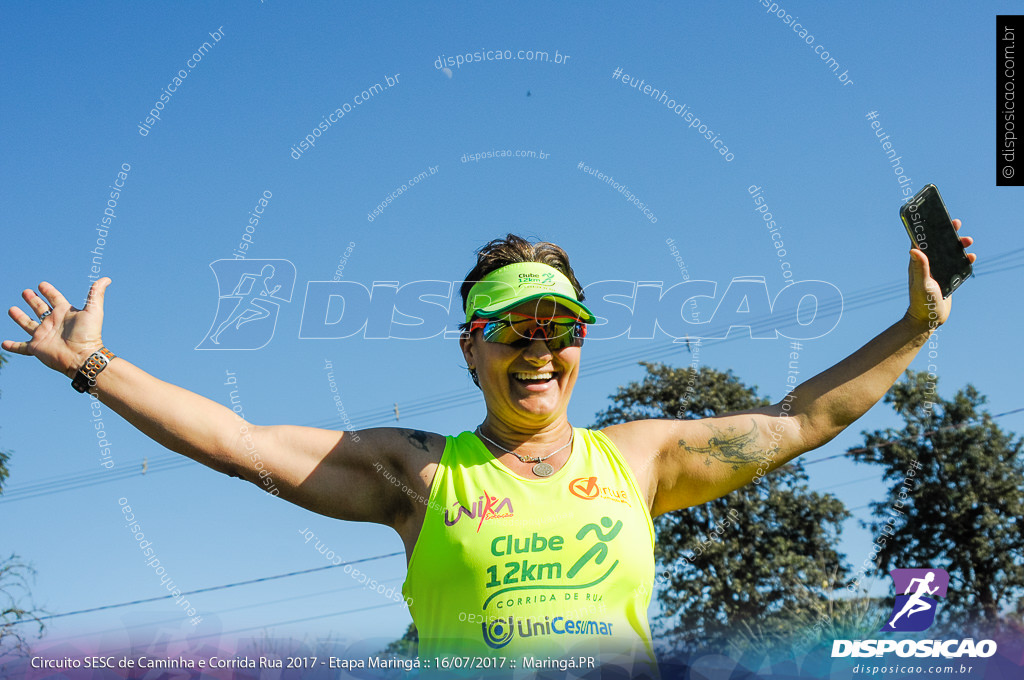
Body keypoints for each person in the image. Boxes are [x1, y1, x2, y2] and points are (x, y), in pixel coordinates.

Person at [3, 230, 976, 678]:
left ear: (582, 342)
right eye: (508, 328)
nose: (535, 348)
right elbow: (247, 445)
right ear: (469, 347)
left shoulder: (639, 459)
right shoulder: (414, 471)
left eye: (557, 326)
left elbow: (798, 418)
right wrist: (93, 363)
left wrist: (914, 326)